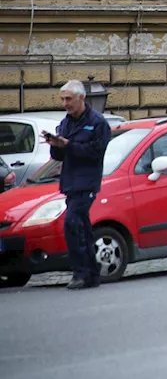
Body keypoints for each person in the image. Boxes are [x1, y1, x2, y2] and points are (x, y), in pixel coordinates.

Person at [45, 80, 111, 289]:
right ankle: (91, 274)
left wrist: (69, 145)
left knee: (71, 224)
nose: (65, 103)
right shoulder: (65, 123)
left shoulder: (98, 122)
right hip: (70, 182)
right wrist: (55, 145)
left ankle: (80, 273)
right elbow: (59, 156)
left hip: (87, 182)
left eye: (69, 99)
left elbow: (95, 152)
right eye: (63, 99)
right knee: (82, 227)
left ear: (81, 98)